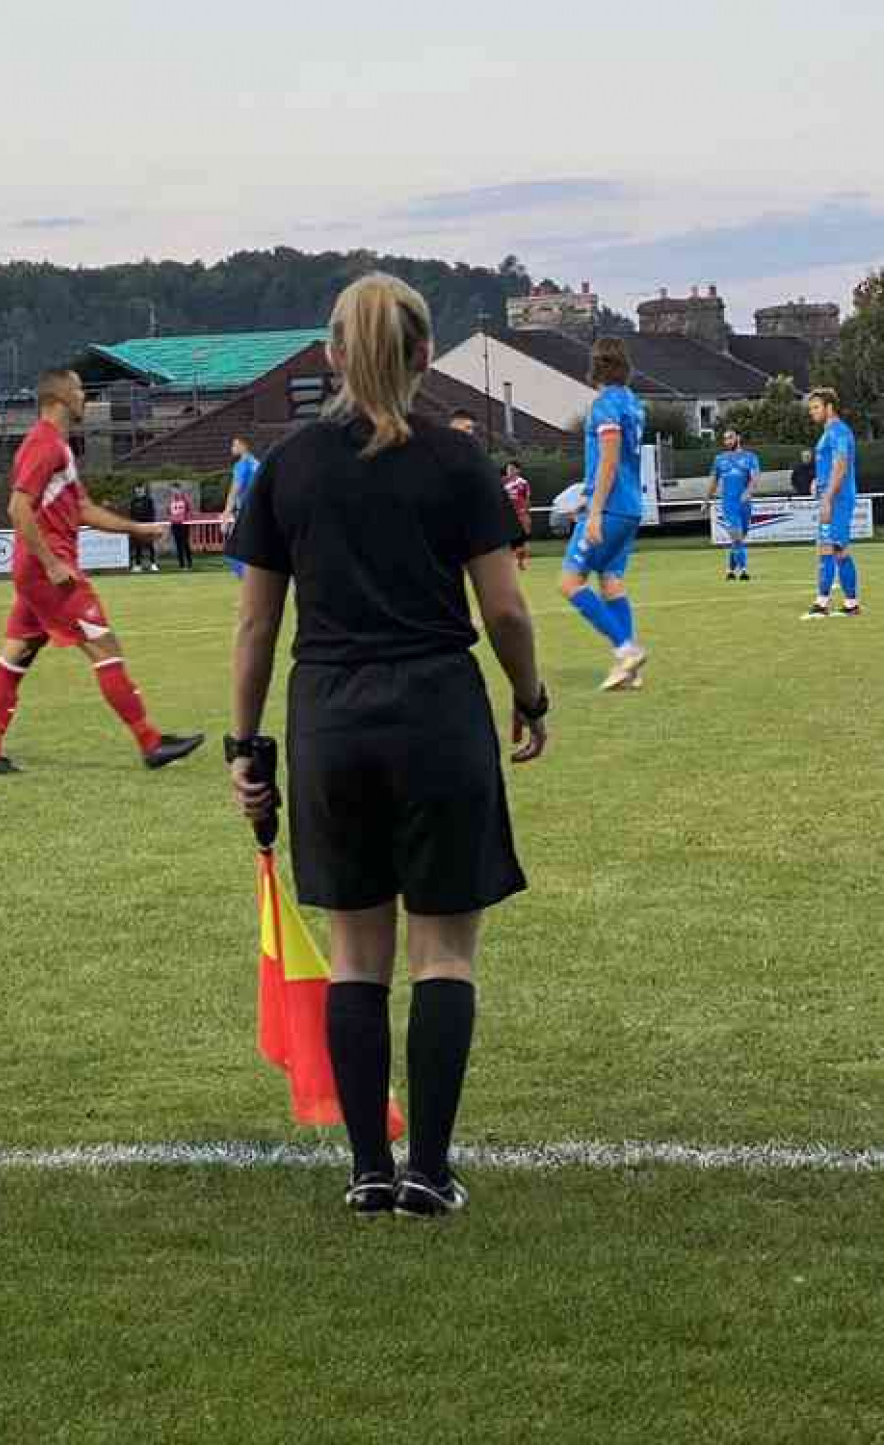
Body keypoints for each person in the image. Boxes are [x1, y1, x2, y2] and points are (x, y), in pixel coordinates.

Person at [226, 274, 548, 1220]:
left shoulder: (288, 465)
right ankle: (431, 1171)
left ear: (329, 354)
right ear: (423, 356)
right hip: (438, 711)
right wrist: (529, 697)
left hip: (330, 715)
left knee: (357, 952)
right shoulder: (457, 464)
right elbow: (504, 607)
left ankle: (370, 1166)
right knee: (444, 951)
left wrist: (246, 747)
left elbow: (253, 630)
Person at [0, 369, 205, 776]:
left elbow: (83, 510)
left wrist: (136, 530)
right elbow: (17, 508)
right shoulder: (44, 445)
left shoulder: (58, 447)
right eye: (80, 389)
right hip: (48, 571)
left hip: (36, 572)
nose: (85, 396)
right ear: (60, 396)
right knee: (104, 646)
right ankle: (151, 743)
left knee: (16, 655)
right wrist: (52, 563)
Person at [559, 337, 648, 692]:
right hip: (629, 508)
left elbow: (609, 459)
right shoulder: (634, 403)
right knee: (610, 580)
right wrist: (586, 496)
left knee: (569, 583)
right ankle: (630, 670)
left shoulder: (604, 405)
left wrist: (594, 511)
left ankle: (626, 650)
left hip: (609, 506)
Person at [805, 388, 860, 619]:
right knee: (835, 550)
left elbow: (841, 465)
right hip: (831, 495)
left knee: (830, 548)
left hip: (837, 498)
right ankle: (849, 604)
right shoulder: (828, 433)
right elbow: (830, 465)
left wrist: (827, 496)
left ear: (829, 407)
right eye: (811, 408)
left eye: (816, 407)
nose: (812, 412)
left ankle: (823, 603)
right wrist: (818, 481)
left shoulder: (839, 431)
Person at [706, 429, 761, 581]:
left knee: (740, 538)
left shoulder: (750, 457)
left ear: (738, 438)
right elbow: (713, 481)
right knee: (736, 537)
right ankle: (743, 571)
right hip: (728, 504)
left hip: (744, 504)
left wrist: (748, 491)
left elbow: (755, 478)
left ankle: (730, 570)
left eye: (730, 438)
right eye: (725, 439)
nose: (727, 441)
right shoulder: (719, 459)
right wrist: (706, 500)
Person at [222, 435, 261, 579]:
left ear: (244, 446)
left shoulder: (242, 464)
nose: (232, 448)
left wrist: (226, 513)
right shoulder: (257, 463)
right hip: (258, 511)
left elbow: (235, 490)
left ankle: (249, 583)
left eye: (234, 445)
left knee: (234, 550)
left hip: (246, 511)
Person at [501, 460, 532, 569]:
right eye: (508, 469)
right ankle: (509, 562)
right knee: (505, 540)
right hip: (505, 515)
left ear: (518, 470)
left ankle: (520, 561)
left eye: (512, 469)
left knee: (522, 539)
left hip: (520, 515)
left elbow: (527, 499)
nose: (509, 471)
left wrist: (526, 513)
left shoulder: (523, 483)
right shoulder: (502, 482)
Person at [129, 482, 159, 572]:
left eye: (140, 488)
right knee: (138, 546)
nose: (138, 490)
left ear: (144, 489)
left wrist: (150, 525)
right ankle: (138, 565)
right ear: (135, 490)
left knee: (150, 545)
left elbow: (152, 513)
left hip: (147, 526)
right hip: (137, 527)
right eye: (137, 488)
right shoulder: (133, 501)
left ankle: (153, 564)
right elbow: (132, 514)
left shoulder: (149, 500)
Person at [168, 486, 194, 570]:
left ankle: (189, 563)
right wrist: (171, 519)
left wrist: (186, 519)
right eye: (173, 490)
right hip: (174, 524)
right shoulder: (171, 500)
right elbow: (169, 511)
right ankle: (181, 565)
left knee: (185, 543)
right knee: (178, 544)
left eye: (176, 490)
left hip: (183, 524)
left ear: (179, 490)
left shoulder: (185, 499)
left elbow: (190, 510)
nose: (174, 492)